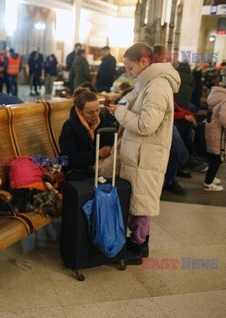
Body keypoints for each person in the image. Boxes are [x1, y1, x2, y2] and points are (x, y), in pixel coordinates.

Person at [107, 43, 181, 264]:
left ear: (144, 62)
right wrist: (121, 104)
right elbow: (132, 96)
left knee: (141, 203)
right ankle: (139, 242)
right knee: (137, 200)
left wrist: (120, 112)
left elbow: (146, 125)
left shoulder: (157, 86)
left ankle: (139, 246)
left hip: (146, 155)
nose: (128, 73)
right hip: (138, 153)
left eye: (130, 68)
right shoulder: (145, 81)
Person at [59, 87, 115, 181]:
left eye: (98, 110)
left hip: (99, 165)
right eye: (91, 113)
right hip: (77, 170)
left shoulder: (102, 121)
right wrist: (97, 154)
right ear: (79, 111)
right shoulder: (69, 126)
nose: (96, 115)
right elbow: (68, 158)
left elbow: (111, 139)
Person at [203, 65, 226, 191]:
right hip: (221, 134)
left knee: (213, 157)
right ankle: (208, 183)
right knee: (218, 159)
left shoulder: (218, 94)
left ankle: (211, 178)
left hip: (213, 130)